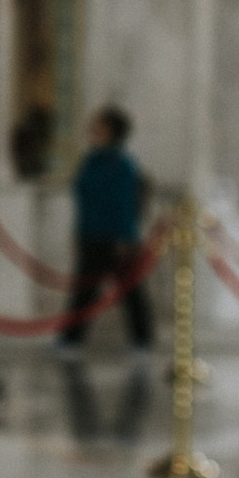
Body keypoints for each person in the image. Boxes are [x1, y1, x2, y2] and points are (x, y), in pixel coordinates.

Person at [56, 105, 154, 353]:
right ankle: (71, 340)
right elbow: (84, 200)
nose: (93, 129)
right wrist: (78, 233)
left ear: (111, 130)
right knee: (84, 291)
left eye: (99, 125)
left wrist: (124, 237)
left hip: (116, 239)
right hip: (91, 234)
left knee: (130, 292)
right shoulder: (90, 161)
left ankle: (142, 340)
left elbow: (124, 204)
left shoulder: (122, 165)